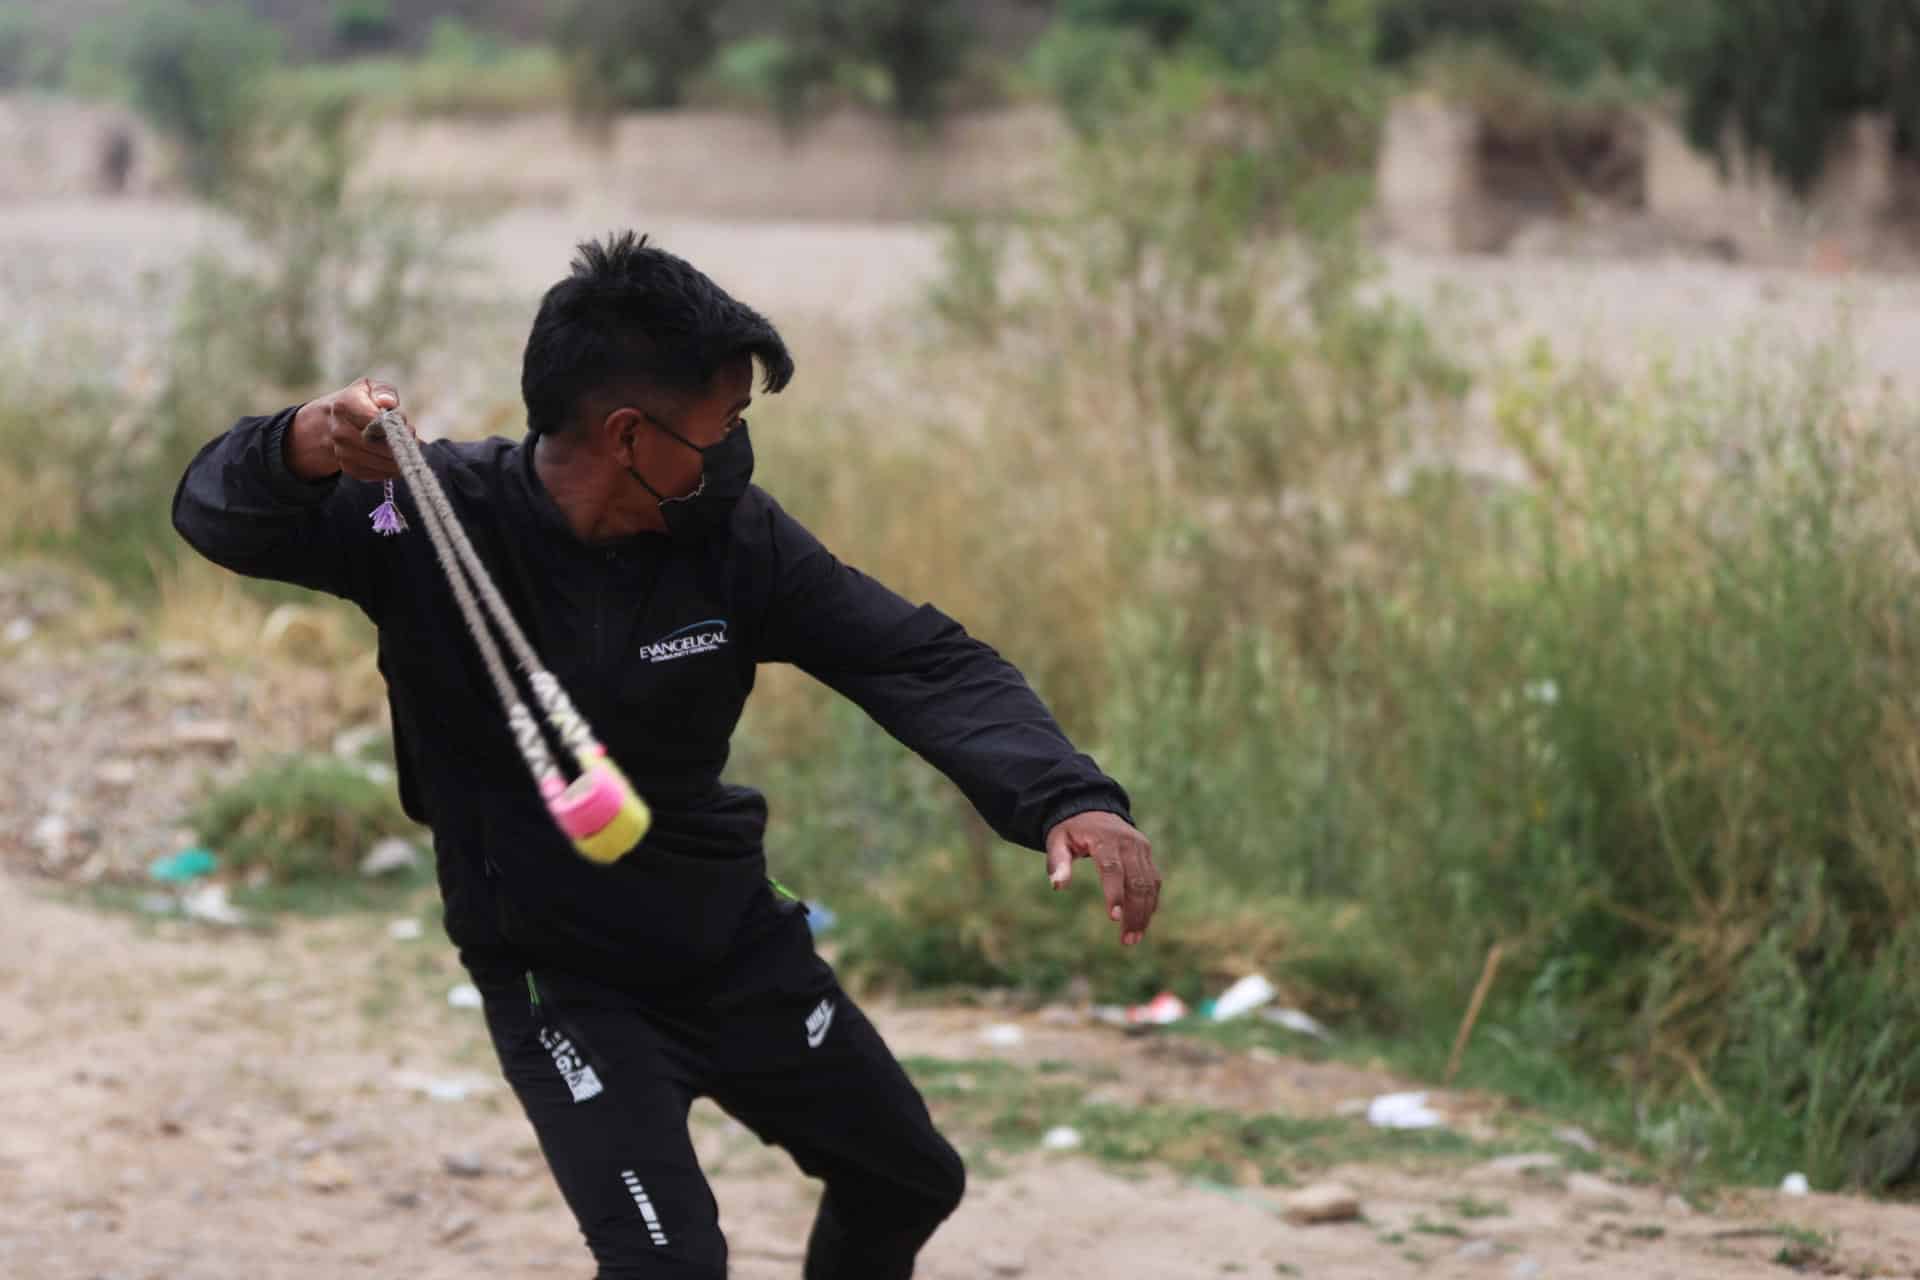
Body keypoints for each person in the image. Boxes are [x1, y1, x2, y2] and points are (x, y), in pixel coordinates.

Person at [172, 231, 1162, 1279]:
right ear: (628, 432)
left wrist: (1065, 794)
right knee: (667, 1265)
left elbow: (915, 656)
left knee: (909, 1176)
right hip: (564, 978)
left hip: (735, 943)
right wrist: (303, 441)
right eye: (723, 421)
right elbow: (215, 510)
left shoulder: (733, 535)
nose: (735, 446)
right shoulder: (424, 518)